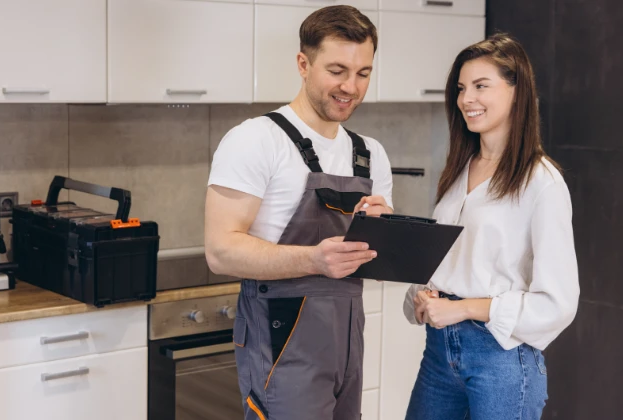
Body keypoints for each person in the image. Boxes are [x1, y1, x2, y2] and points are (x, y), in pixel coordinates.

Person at [205, 5, 394, 420]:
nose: (351, 86)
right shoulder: (255, 140)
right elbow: (219, 251)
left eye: (363, 73)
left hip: (347, 340)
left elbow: (371, 259)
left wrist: (385, 233)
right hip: (282, 342)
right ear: (303, 64)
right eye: (337, 70)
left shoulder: (370, 154)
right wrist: (313, 259)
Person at [402, 33, 580, 419]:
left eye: (482, 86)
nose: (467, 99)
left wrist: (464, 309)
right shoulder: (459, 171)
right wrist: (422, 296)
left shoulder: (542, 183)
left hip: (501, 360)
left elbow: (558, 304)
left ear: (518, 91)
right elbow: (449, 262)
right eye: (462, 88)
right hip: (438, 353)